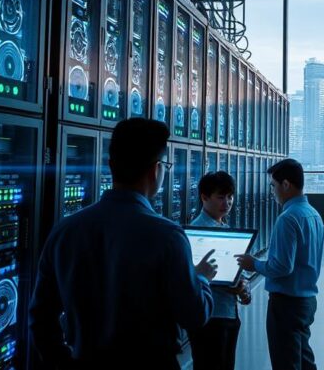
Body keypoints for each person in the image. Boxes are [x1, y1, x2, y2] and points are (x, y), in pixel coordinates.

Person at [29, 118, 218, 369]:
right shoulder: (168, 236)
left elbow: (40, 318)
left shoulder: (65, 230)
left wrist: (61, 361)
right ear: (156, 170)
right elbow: (194, 316)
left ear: (110, 166)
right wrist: (201, 278)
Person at [236, 158, 324, 370]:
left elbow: (282, 267)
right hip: (307, 301)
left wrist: (254, 264)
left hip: (287, 303)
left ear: (286, 184)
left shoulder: (288, 218)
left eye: (273, 186)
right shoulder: (314, 215)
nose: (272, 192)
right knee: (304, 360)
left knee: (286, 362)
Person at [188, 171, 253, 370]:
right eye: (221, 197)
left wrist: (243, 285)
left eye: (230, 196)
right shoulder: (195, 233)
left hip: (228, 314)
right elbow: (191, 277)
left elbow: (235, 270)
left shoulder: (225, 228)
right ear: (204, 197)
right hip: (210, 318)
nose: (227, 202)